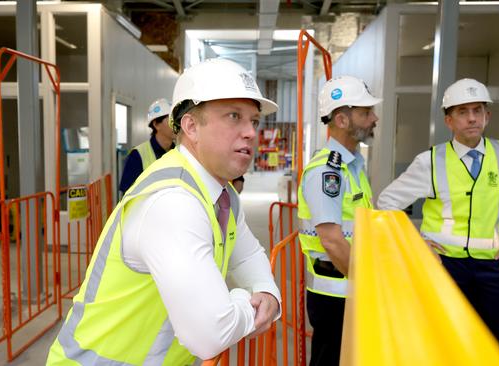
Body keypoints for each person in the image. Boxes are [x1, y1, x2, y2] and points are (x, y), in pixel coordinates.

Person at [47, 58, 281, 365]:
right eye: (234, 116)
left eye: (254, 120)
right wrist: (241, 300)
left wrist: (267, 292)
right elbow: (210, 333)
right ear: (191, 127)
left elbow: (248, 254)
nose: (251, 132)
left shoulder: (222, 194)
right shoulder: (173, 202)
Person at [377, 78, 499, 366]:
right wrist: (416, 243)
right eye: (462, 112)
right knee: (440, 345)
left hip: (494, 264)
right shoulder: (430, 161)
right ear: (449, 120)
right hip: (443, 267)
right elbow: (387, 203)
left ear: (487, 116)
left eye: (477, 110)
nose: (472, 118)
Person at [297, 75, 382, 366]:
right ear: (343, 120)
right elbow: (332, 239)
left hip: (347, 288)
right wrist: (367, 283)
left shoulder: (353, 165)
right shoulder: (328, 171)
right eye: (366, 112)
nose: (375, 118)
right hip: (336, 293)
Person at [119, 98, 175, 195]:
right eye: (170, 119)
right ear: (156, 124)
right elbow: (127, 194)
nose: (175, 124)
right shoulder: (137, 155)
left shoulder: (180, 151)